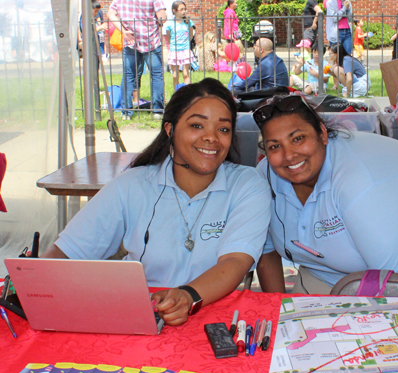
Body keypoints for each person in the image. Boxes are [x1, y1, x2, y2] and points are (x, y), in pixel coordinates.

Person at [40, 78, 272, 326]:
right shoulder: (132, 184)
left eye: (223, 129)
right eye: (197, 125)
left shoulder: (248, 184)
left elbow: (235, 261)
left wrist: (187, 296)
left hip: (215, 319)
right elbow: (67, 252)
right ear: (170, 130)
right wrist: (32, 282)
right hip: (139, 316)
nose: (211, 138)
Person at [252, 94, 398, 294]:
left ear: (322, 133)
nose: (289, 154)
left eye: (298, 138)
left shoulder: (358, 182)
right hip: (332, 273)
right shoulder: (266, 178)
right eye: (275, 146)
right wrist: (279, 310)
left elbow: (396, 282)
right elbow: (267, 253)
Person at [107, 0, 166, 120]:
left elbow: (110, 14)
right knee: (156, 76)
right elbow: (162, 18)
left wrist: (124, 31)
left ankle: (126, 112)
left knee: (128, 76)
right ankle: (157, 111)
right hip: (151, 41)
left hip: (130, 40)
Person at [165, 1, 195, 88]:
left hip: (185, 50)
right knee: (175, 75)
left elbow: (191, 35)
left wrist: (185, 43)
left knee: (185, 73)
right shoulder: (170, 24)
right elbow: (168, 37)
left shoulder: (188, 22)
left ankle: (187, 92)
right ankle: (177, 92)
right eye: (181, 9)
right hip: (174, 51)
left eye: (185, 9)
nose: (184, 11)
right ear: (174, 11)